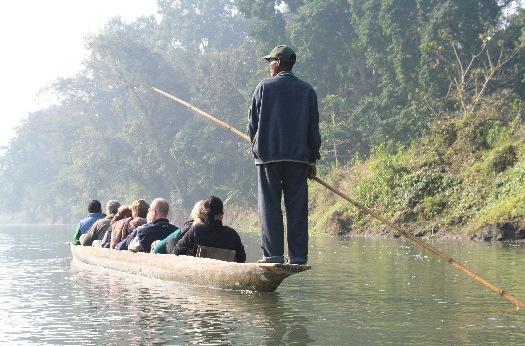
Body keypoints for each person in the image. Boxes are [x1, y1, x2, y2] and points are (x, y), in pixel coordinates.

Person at [247, 44, 321, 265]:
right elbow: (313, 129)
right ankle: (298, 256)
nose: (269, 65)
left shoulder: (264, 87)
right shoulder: (307, 90)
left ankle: (273, 255)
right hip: (298, 160)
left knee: (269, 206)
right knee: (297, 207)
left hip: (268, 158)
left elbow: (252, 124)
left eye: (270, 61)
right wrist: (311, 159)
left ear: (278, 63)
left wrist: (256, 146)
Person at [173, 196, 246, 263]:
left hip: (200, 272)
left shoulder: (197, 229)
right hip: (223, 274)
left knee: (171, 241)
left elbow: (177, 251)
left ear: (204, 214)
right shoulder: (232, 233)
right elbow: (242, 258)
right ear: (221, 215)